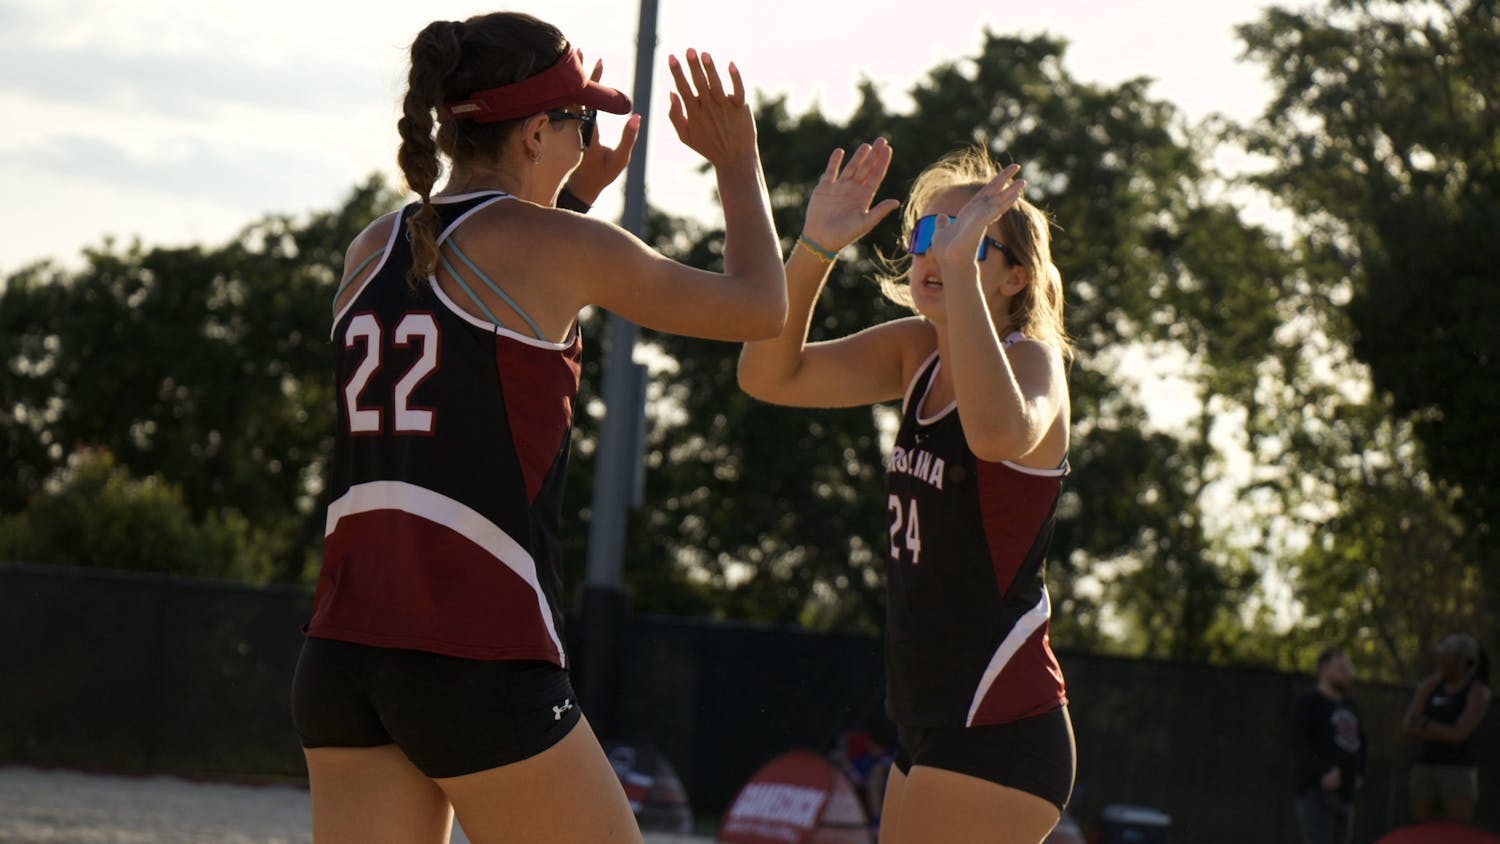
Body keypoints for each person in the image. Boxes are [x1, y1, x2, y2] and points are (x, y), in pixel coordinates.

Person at [290, 12, 786, 844]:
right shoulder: (556, 242)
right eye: (577, 122)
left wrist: (576, 193)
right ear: (534, 134)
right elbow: (760, 309)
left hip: (344, 653)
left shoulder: (369, 246)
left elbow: (494, 297)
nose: (585, 139)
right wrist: (738, 163)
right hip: (473, 645)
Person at [738, 140, 1075, 843]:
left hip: (999, 720)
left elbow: (994, 436)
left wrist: (955, 269)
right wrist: (815, 249)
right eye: (926, 233)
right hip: (928, 719)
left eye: (964, 239)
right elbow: (767, 376)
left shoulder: (1034, 362)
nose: (933, 250)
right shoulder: (916, 352)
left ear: (1014, 280)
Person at [1403, 632, 1493, 821]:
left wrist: (1427, 724)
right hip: (1425, 766)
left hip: (1457, 771)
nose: (1441, 659)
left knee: (1455, 832)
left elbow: (1459, 734)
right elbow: (1409, 725)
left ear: (1462, 660)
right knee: (1422, 830)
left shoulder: (1477, 692)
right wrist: (1442, 730)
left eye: (1447, 655)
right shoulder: (1430, 686)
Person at [1290, 646, 1367, 844]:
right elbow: (1300, 744)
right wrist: (1322, 772)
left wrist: (1360, 773)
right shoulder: (1308, 703)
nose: (1347, 672)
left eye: (1348, 667)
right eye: (1341, 667)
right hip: (1316, 794)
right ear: (1323, 670)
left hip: (1345, 795)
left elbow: (1361, 742)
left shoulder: (1350, 706)